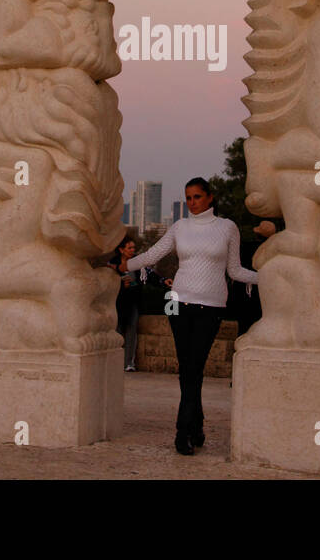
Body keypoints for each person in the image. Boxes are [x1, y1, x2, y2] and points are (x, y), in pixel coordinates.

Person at [120, 177, 257, 455]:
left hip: (212, 306)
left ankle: (186, 429)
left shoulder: (227, 228)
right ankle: (192, 427)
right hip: (178, 304)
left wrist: (267, 277)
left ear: (209, 197)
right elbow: (155, 254)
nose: (192, 203)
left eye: (196, 197)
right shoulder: (180, 226)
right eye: (188, 198)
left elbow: (235, 270)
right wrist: (123, 265)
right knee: (188, 369)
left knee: (194, 367)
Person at [106, 232, 143, 371]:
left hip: (132, 304)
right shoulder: (111, 264)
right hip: (116, 304)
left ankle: (129, 363)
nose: (132, 250)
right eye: (129, 248)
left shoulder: (137, 263)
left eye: (134, 248)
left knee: (131, 332)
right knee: (117, 332)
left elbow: (146, 277)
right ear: (121, 249)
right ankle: (115, 363)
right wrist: (121, 284)